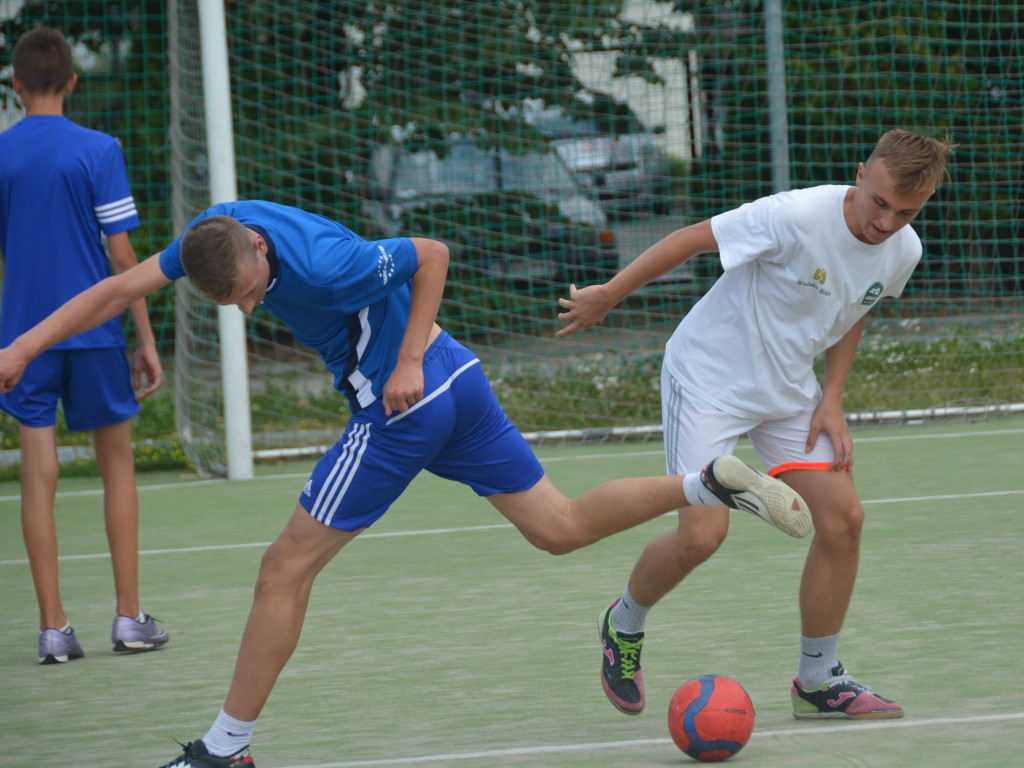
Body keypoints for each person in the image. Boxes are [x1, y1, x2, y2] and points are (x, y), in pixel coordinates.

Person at [0, 197, 810, 766]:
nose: (248, 311)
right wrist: (26, 345)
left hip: (405, 403)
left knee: (284, 568)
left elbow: (432, 255)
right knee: (558, 527)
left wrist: (410, 360)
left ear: (262, 255)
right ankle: (705, 484)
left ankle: (223, 750)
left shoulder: (322, 265)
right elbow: (116, 289)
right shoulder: (215, 233)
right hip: (458, 381)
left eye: (251, 296)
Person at [557, 129, 953, 720]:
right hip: (709, 380)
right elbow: (692, 240)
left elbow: (856, 308)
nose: (886, 222)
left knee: (843, 520)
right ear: (861, 172)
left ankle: (818, 682)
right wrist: (609, 295)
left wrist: (833, 396)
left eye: (906, 212)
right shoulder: (793, 215)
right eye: (880, 203)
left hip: (790, 392)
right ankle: (623, 623)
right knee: (701, 537)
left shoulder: (904, 249)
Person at [0, 26, 167, 664]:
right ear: (72, 81)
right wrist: (145, 339)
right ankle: (129, 618)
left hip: (24, 341)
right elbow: (123, 256)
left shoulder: (4, 154)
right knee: (116, 465)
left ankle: (53, 629)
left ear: (15, 86)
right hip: (96, 333)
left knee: (36, 477)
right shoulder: (99, 149)